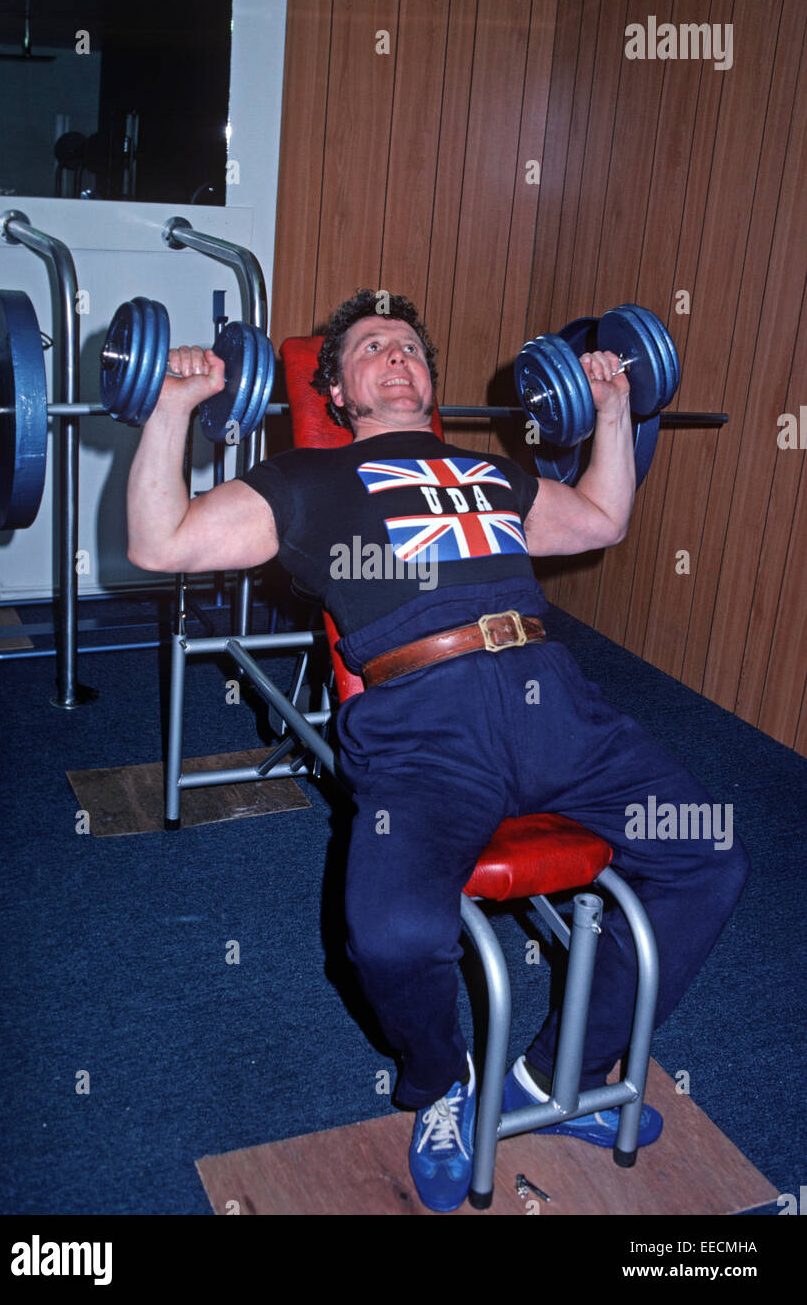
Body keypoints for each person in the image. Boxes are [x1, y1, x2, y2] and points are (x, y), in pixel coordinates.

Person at [127, 289, 749, 1214]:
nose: (395, 357)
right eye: (372, 347)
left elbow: (603, 520)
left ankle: (553, 1078)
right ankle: (441, 1084)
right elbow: (160, 543)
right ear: (336, 390)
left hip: (556, 705)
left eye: (411, 346)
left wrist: (614, 408)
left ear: (430, 381)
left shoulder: (493, 474)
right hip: (426, 729)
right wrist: (172, 405)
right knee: (389, 935)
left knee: (710, 850)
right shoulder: (303, 482)